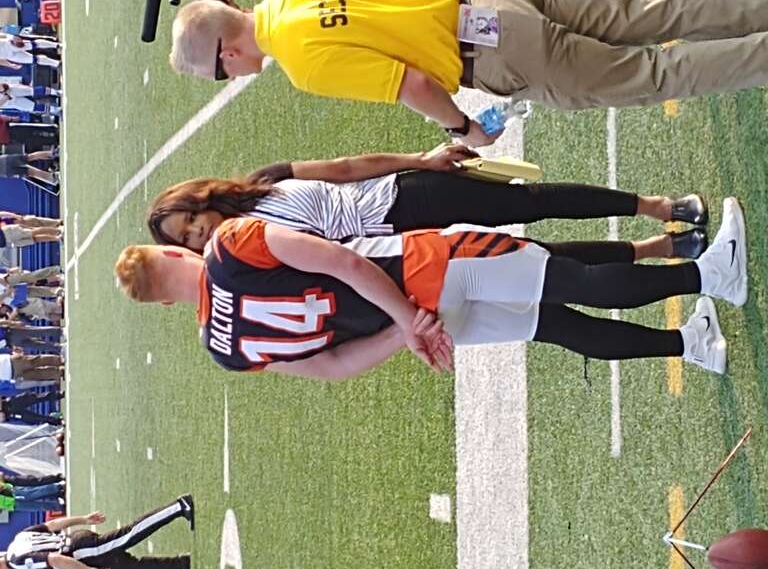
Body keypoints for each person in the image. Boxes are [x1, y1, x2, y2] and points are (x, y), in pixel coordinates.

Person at [118, 197, 746, 378]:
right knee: (567, 279)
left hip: (420, 327)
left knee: (552, 327)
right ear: (176, 251)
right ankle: (711, 274)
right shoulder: (227, 244)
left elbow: (332, 364)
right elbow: (344, 263)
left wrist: (407, 333)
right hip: (422, 271)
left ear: (165, 303)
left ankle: (690, 346)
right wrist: (409, 315)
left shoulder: (224, 349)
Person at [168, 0, 768, 147]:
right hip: (485, 7)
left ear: (226, 54)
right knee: (653, 11)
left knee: (655, 74)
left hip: (494, 52)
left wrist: (463, 130)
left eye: (220, 73)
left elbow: (414, 85)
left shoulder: (302, 62)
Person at [147, 143, 708, 262]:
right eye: (186, 238)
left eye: (190, 219)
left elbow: (348, 168)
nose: (196, 232)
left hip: (402, 195)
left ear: (199, 199)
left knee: (531, 202)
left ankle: (659, 206)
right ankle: (660, 247)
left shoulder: (263, 176)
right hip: (406, 249)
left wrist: (423, 157)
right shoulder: (244, 259)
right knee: (532, 253)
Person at [0, 496, 194, 569]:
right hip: (75, 542)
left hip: (79, 553)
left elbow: (55, 560)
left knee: (129, 534)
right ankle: (180, 565)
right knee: (126, 568)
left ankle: (179, 506)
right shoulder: (18, 540)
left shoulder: (16, 561)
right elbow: (51, 525)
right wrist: (83, 519)